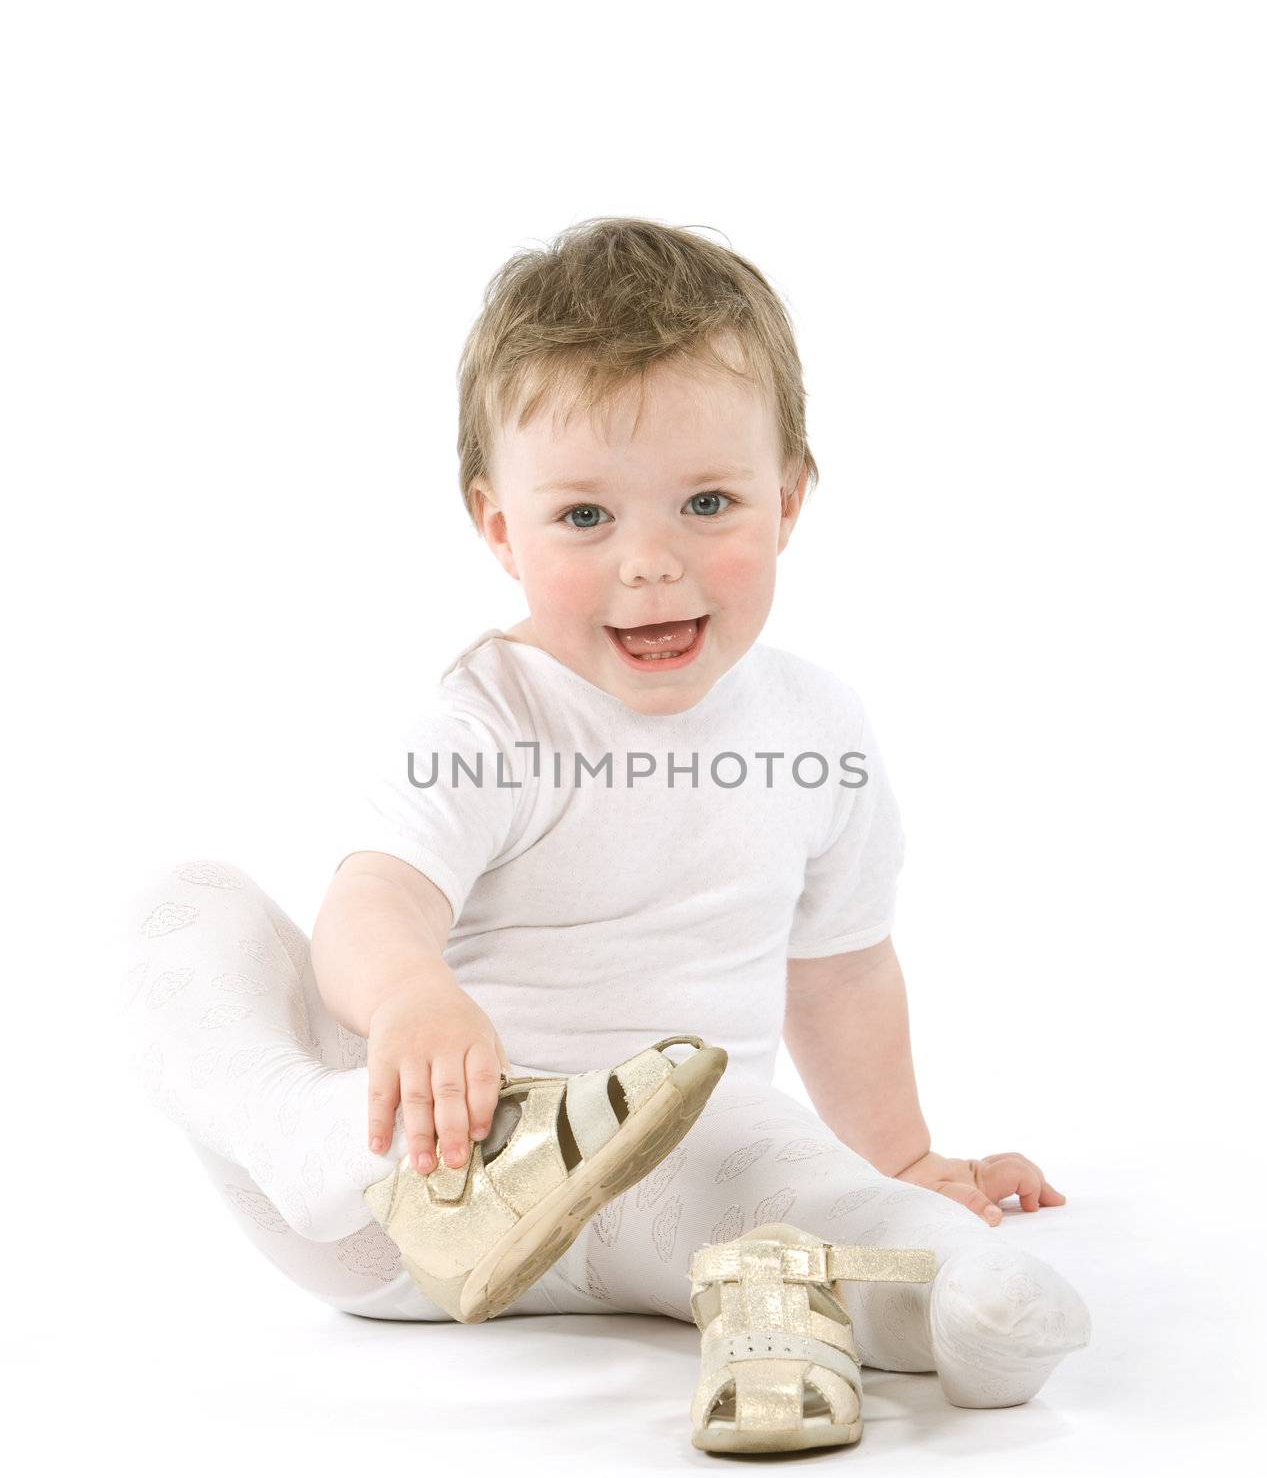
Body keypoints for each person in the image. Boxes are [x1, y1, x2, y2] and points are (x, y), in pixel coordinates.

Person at [121, 216, 1091, 1412]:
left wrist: (899, 1155)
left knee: (817, 1200)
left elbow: (839, 974)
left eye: (707, 502)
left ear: (787, 500)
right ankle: (297, 1124)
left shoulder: (816, 732)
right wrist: (417, 997)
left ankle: (962, 1314)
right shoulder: (493, 720)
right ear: (500, 528)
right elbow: (372, 901)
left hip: (679, 1181)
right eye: (586, 517)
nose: (650, 561)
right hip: (415, 1189)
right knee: (186, 912)